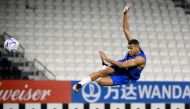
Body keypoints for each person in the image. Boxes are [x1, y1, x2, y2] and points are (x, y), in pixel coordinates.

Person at [73, 3, 146, 92]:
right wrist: (125, 14)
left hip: (126, 75)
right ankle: (79, 85)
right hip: (121, 65)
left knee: (100, 81)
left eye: (130, 48)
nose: (128, 50)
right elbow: (126, 29)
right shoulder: (133, 44)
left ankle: (105, 67)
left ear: (137, 47)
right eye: (128, 48)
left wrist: (106, 58)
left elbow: (123, 65)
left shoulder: (140, 59)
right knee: (100, 72)